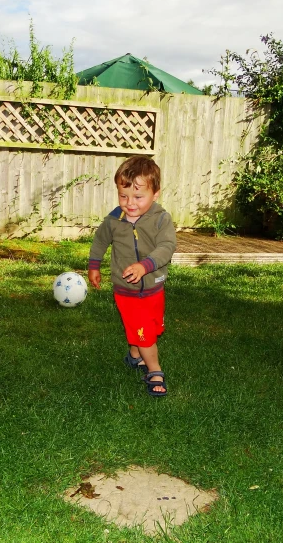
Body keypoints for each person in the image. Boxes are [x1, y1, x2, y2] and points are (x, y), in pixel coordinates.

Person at [87, 156, 177, 397]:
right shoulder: (114, 219)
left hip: (154, 287)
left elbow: (167, 247)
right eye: (123, 196)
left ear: (155, 193)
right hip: (125, 289)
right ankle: (154, 370)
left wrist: (145, 266)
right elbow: (100, 241)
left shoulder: (161, 219)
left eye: (138, 197)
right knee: (145, 333)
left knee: (152, 327)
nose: (130, 203)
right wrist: (94, 265)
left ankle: (135, 355)